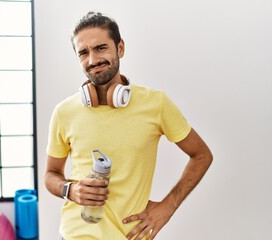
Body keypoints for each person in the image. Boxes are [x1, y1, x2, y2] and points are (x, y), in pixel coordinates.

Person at [44, 11, 213, 240]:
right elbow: (51, 175)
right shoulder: (64, 112)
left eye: (101, 48)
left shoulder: (156, 104)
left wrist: (168, 207)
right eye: (83, 52)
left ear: (120, 48)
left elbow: (201, 155)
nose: (92, 60)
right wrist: (70, 190)